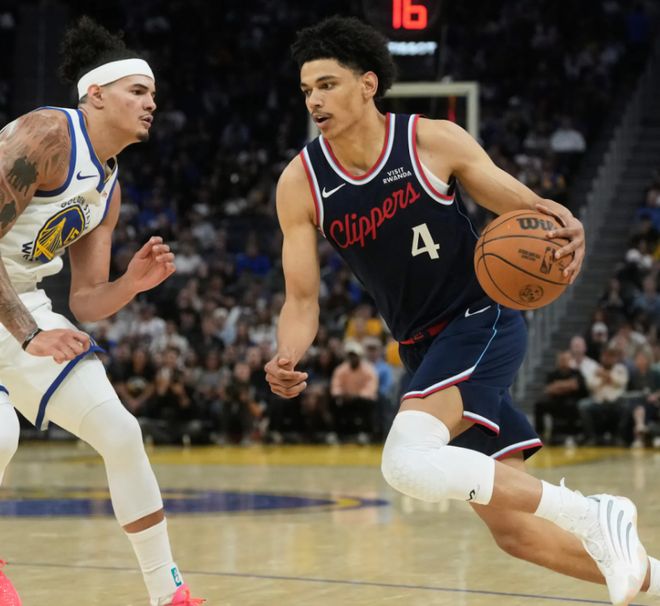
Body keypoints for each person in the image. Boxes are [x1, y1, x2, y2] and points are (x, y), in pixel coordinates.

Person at [264, 16, 660, 605]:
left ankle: (595, 512)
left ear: (367, 84)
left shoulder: (430, 140)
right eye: (306, 90)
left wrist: (557, 219)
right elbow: (301, 300)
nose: (314, 100)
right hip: (422, 349)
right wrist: (287, 353)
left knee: (406, 462)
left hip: (481, 318)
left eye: (327, 84)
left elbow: (518, 203)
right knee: (516, 533)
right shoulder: (302, 183)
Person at [0, 17, 203, 606]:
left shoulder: (108, 185)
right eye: (138, 91)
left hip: (23, 303)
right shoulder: (45, 134)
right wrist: (31, 334)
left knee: (120, 431)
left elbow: (86, 300)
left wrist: (130, 285)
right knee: (2, 433)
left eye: (153, 94)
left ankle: (168, 592)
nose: (151, 103)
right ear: (95, 94)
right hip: (19, 316)